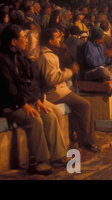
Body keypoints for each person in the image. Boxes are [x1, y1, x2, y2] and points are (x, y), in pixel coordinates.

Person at [0, 25, 67, 175]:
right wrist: (24, 105)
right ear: (13, 41)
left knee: (49, 116)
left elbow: (27, 82)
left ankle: (58, 156)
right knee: (35, 120)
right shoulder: (2, 59)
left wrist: (36, 100)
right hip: (9, 104)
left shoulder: (18, 57)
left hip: (22, 101)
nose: (25, 40)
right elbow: (8, 86)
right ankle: (39, 162)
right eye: (23, 37)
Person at [37, 28, 100, 152]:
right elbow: (52, 79)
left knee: (80, 104)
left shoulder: (51, 53)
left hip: (61, 89)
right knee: (84, 105)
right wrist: (70, 71)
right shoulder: (47, 56)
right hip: (55, 93)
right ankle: (87, 141)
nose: (60, 39)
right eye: (57, 37)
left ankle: (79, 139)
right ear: (50, 41)